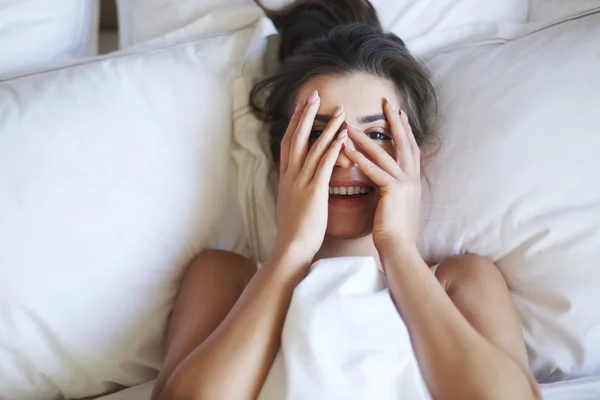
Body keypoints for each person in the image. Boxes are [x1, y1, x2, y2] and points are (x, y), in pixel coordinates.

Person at [152, 1, 542, 399]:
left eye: (375, 136)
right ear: (278, 161)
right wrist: (292, 250)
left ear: (415, 158)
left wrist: (399, 249)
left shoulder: (462, 280)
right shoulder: (227, 277)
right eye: (319, 135)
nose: (345, 158)